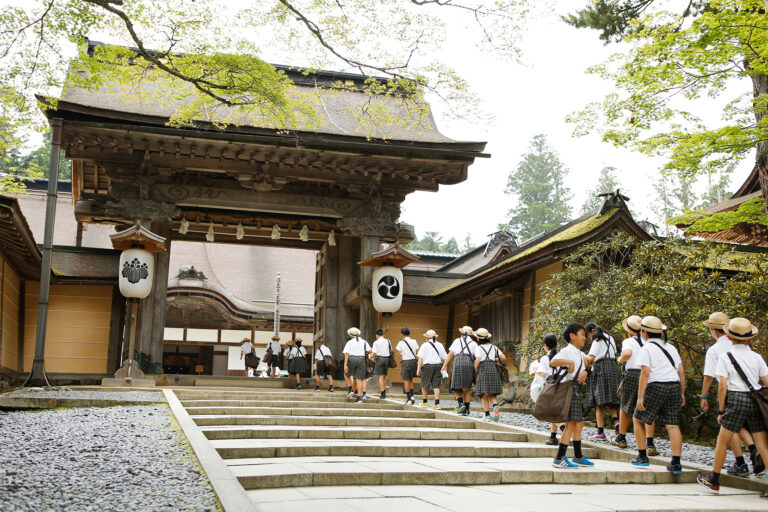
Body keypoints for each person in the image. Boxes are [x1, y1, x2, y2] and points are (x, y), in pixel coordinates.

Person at [697, 317, 768, 498]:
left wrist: (721, 410)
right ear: (750, 338)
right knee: (762, 444)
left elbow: (722, 386)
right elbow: (766, 383)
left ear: (729, 337)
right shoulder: (757, 357)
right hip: (755, 399)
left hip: (736, 398)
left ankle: (714, 479)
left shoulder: (725, 357)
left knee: (723, 440)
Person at [631, 316, 686, 474]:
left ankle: (642, 456)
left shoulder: (646, 348)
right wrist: (682, 392)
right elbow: (681, 371)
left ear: (645, 332)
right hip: (674, 386)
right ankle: (676, 463)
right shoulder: (671, 348)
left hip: (656, 386)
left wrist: (640, 397)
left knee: (638, 419)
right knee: (673, 425)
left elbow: (645, 373)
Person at [549, 322, 592, 468]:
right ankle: (559, 458)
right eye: (582, 334)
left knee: (578, 423)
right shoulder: (568, 350)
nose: (585, 338)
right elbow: (553, 362)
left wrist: (586, 372)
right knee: (571, 424)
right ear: (572, 336)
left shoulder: (579, 352)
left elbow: (588, 364)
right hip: (570, 390)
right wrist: (569, 362)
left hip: (576, 389)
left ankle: (578, 456)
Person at [612, 315, 657, 453]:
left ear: (629, 332)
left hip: (632, 374)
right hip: (649, 374)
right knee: (647, 408)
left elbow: (627, 353)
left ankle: (621, 438)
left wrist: (619, 360)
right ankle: (650, 444)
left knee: (625, 407)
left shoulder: (629, 341)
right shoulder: (649, 342)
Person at [585, 322, 621, 442]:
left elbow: (591, 358)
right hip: (613, 367)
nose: (589, 338)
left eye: (587, 335)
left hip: (601, 368)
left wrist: (581, 355)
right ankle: (616, 424)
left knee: (598, 402)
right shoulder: (610, 339)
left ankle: (600, 432)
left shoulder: (597, 341)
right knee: (611, 400)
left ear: (592, 331)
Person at [443, 326, 477, 415]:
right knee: (466, 388)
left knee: (455, 387)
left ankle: (461, 404)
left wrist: (444, 365)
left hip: (458, 362)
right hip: (469, 363)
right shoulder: (473, 343)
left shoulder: (457, 341)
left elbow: (450, 354)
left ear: (461, 333)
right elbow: (477, 357)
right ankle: (467, 410)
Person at [473, 328, 505, 422]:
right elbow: (503, 357)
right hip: (493, 369)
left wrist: (475, 369)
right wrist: (493, 359)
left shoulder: (479, 348)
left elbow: (478, 360)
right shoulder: (494, 347)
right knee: (492, 393)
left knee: (484, 394)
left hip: (483, 369)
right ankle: (495, 407)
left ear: (478, 339)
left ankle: (487, 416)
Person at [535, 334, 561, 445]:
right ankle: (553, 436)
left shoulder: (544, 358)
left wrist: (535, 369)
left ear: (545, 346)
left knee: (550, 413)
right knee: (554, 411)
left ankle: (563, 428)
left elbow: (541, 372)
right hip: (561, 385)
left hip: (550, 386)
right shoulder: (560, 356)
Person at [416, 329, 447, 409]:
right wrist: (445, 367)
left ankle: (425, 402)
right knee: (436, 385)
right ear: (435, 337)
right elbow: (445, 357)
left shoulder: (425, 345)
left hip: (427, 366)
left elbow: (420, 358)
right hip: (438, 366)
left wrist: (418, 368)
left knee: (424, 384)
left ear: (427, 338)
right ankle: (437, 404)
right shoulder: (440, 345)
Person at [343, 327, 372, 403]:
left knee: (347, 374)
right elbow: (370, 351)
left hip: (351, 359)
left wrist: (345, 364)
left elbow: (347, 354)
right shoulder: (364, 342)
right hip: (361, 359)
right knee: (359, 379)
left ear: (351, 335)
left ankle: (351, 390)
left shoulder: (349, 342)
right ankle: (359, 397)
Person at [396, 327, 419, 405]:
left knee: (406, 381)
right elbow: (416, 351)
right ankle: (412, 396)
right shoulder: (414, 341)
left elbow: (398, 354)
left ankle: (408, 398)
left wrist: (404, 353)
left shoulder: (400, 343)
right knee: (411, 379)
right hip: (413, 361)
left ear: (402, 334)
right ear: (410, 333)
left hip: (405, 362)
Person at [371, 328, 394, 399]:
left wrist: (373, 359)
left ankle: (382, 393)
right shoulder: (388, 341)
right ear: (383, 334)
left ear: (377, 335)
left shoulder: (376, 342)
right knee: (384, 376)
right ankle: (384, 391)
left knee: (380, 377)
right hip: (386, 359)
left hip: (380, 359)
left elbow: (374, 353)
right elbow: (391, 350)